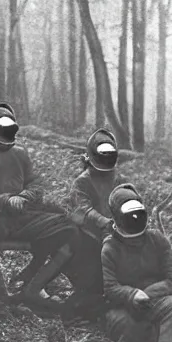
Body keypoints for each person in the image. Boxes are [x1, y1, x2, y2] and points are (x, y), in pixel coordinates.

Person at [0, 102, 76, 310]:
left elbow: (36, 183)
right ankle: (2, 297)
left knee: (68, 228)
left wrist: (25, 196)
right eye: (1, 128)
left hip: (20, 218)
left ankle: (33, 283)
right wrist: (5, 200)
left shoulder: (20, 154)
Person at [100, 183, 172, 342]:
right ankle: (167, 336)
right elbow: (109, 288)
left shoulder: (157, 240)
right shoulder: (110, 248)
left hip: (157, 303)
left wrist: (149, 293)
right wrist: (131, 294)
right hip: (125, 310)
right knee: (121, 325)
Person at [65, 127, 122, 314]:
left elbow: (127, 201)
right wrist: (103, 222)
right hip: (88, 233)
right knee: (92, 279)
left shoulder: (118, 178)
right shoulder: (83, 181)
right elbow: (83, 208)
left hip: (115, 231)